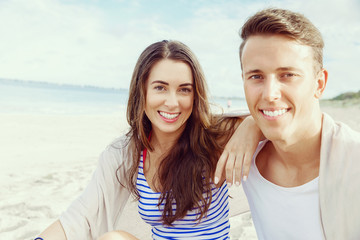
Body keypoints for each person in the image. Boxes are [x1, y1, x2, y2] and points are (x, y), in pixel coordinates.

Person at [36, 40, 261, 240]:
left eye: (184, 90)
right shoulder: (128, 152)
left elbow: (285, 128)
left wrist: (253, 125)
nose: (172, 102)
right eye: (160, 88)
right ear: (141, 91)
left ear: (195, 95)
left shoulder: (215, 136)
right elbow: (82, 215)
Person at [216, 8, 360, 240]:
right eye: (256, 76)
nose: (270, 93)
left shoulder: (354, 163)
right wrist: (251, 123)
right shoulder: (247, 155)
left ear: (319, 83)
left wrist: (254, 122)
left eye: (288, 75)